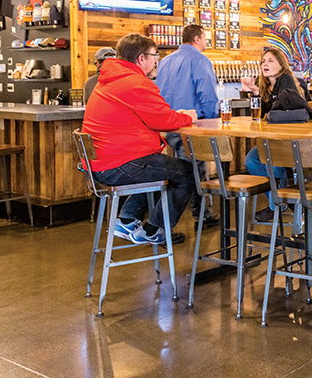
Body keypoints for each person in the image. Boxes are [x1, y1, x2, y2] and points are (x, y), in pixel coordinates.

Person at [82, 33, 198, 245]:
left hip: (101, 164)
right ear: (141, 58)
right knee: (189, 173)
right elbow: (165, 120)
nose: (156, 61)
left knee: (157, 167)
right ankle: (152, 230)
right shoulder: (135, 82)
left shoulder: (108, 80)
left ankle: (126, 220)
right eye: (155, 55)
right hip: (118, 164)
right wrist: (188, 116)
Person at [155, 24, 221, 227]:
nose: (206, 41)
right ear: (197, 38)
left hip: (168, 125)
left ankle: (196, 216)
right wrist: (213, 122)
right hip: (193, 125)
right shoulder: (200, 60)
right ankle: (166, 223)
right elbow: (207, 95)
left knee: (184, 171)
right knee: (194, 172)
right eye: (205, 37)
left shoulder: (165, 61)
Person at [241, 48, 312, 222]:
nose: (265, 64)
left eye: (271, 60)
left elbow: (279, 111)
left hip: (291, 141)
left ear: (281, 64)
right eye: (263, 61)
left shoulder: (285, 80)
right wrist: (255, 92)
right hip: (273, 140)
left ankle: (275, 207)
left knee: (272, 162)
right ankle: (279, 199)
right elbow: (262, 115)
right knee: (251, 161)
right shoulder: (265, 85)